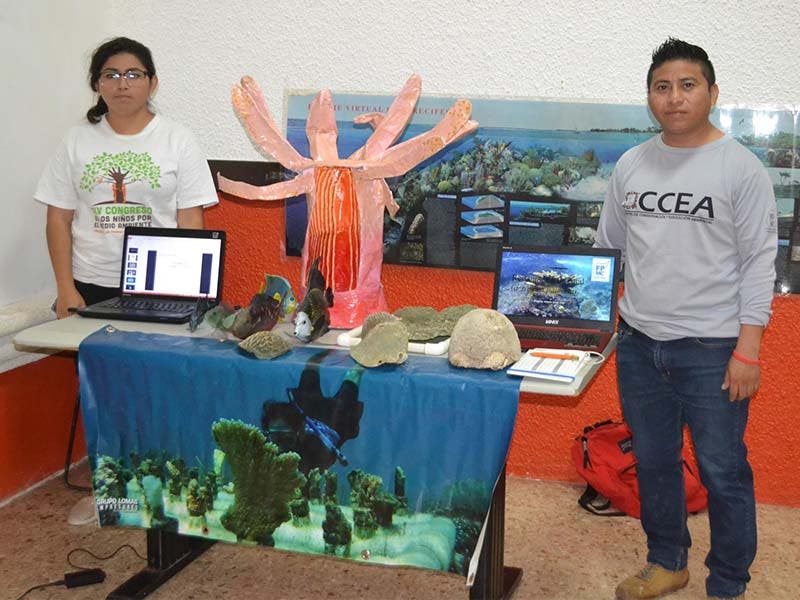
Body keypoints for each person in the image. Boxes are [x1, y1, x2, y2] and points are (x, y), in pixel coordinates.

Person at [595, 38, 777, 600]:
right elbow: (608, 250)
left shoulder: (740, 168)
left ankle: (728, 582)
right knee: (654, 462)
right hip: (639, 344)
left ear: (712, 93)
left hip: (713, 350)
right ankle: (667, 561)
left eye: (687, 85)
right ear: (650, 96)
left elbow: (759, 263)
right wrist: (588, 325)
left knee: (723, 471)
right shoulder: (632, 164)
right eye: (662, 87)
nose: (674, 97)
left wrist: (748, 350)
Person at [35, 37, 218, 318]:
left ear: (152, 83)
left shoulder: (178, 140)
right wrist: (65, 288)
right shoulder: (76, 140)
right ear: (97, 85)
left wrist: (189, 291)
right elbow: (58, 219)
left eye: (133, 75)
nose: (122, 84)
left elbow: (190, 222)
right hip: (88, 285)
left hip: (159, 283)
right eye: (111, 75)